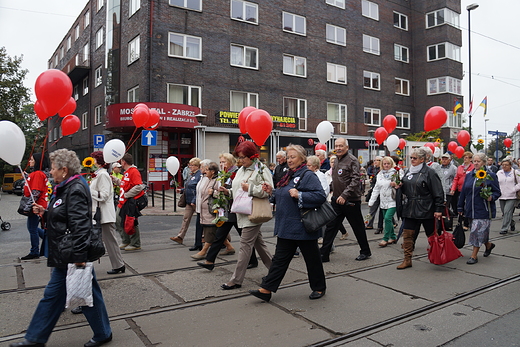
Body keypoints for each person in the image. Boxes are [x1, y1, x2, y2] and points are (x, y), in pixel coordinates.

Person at [10, 149, 112, 347]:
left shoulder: (74, 188)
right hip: (67, 253)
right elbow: (64, 214)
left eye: (53, 168)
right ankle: (101, 333)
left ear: (64, 170)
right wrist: (47, 212)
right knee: (82, 293)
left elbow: (80, 226)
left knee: (58, 295)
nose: (50, 172)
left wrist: (80, 260)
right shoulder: (65, 186)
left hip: (71, 254)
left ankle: (34, 339)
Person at [249, 145, 327, 302]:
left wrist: (300, 195)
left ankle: (319, 288)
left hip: (302, 226)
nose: (289, 160)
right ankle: (267, 289)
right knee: (279, 259)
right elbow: (284, 194)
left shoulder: (307, 175)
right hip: (287, 225)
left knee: (312, 260)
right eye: (288, 157)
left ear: (302, 158)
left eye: (293, 157)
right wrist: (272, 191)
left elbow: (320, 196)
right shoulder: (288, 175)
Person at [221, 141, 273, 290]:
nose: (240, 160)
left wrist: (250, 188)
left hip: (253, 213)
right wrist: (228, 192)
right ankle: (275, 270)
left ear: (252, 156)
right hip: (242, 211)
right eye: (239, 157)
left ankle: (236, 280)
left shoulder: (261, 169)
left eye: (243, 157)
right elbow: (238, 190)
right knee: (259, 244)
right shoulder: (241, 169)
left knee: (245, 246)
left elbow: (268, 190)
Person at [197, 153, 258, 270]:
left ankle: (252, 260)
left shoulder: (235, 172)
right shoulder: (224, 174)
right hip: (228, 209)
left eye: (224, 162)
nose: (221, 164)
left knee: (244, 238)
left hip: (236, 209)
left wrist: (225, 192)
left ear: (230, 162)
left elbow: (237, 189)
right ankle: (210, 261)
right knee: (221, 236)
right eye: (220, 162)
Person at [320, 138, 372, 262]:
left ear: (347, 147)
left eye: (341, 146)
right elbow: (337, 179)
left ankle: (365, 251)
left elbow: (355, 180)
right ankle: (324, 253)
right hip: (337, 200)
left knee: (357, 227)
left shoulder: (352, 160)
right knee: (331, 227)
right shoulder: (337, 159)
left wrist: (344, 195)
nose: (338, 148)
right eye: (336, 145)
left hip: (350, 200)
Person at [395, 147, 444, 270]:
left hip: (426, 208)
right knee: (407, 235)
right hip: (410, 207)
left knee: (432, 235)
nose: (412, 160)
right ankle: (407, 259)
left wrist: (438, 209)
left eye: (415, 158)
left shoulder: (430, 172)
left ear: (422, 159)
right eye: (411, 157)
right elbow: (407, 187)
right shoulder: (408, 171)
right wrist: (400, 185)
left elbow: (438, 192)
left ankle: (438, 256)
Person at [458, 153, 501, 264]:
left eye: (478, 161)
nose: (476, 163)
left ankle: (474, 256)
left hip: (484, 209)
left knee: (476, 232)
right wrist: (460, 206)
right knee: (482, 232)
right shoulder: (469, 175)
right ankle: (489, 245)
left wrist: (491, 197)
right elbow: (463, 192)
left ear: (484, 162)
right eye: (474, 161)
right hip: (470, 209)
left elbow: (497, 192)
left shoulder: (490, 175)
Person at [90, 151, 125, 274]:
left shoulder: (103, 175)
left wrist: (89, 191)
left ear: (99, 161)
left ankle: (119, 265)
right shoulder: (99, 174)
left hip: (104, 214)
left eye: (94, 159)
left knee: (110, 241)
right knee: (109, 241)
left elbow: (104, 195)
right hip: (101, 214)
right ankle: (118, 265)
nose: (93, 161)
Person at [20, 153, 49, 260]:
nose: (30, 161)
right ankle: (48, 240)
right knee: (33, 228)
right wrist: (28, 177)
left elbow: (35, 192)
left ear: (37, 161)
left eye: (32, 160)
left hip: (37, 205)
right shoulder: (38, 174)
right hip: (39, 204)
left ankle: (35, 251)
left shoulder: (37, 174)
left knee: (32, 228)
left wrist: (28, 207)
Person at [170, 157, 203, 249]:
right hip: (189, 201)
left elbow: (199, 189)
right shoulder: (192, 175)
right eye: (189, 165)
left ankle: (220, 237)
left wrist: (194, 200)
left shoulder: (199, 175)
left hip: (195, 201)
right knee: (186, 218)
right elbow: (189, 187)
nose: (190, 167)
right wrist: (181, 190)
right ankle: (180, 236)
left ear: (197, 166)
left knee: (202, 219)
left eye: (192, 165)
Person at [115, 153, 145, 251]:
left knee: (131, 222)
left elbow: (139, 186)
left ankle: (135, 243)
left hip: (128, 202)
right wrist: (116, 180)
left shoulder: (133, 171)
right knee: (119, 221)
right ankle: (126, 240)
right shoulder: (127, 172)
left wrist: (127, 195)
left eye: (121, 161)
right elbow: (125, 185)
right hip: (123, 202)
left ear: (124, 162)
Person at [191, 162, 220, 260]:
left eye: (207, 170)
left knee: (210, 230)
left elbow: (222, 194)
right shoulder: (206, 179)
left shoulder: (217, 181)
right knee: (213, 231)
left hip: (211, 210)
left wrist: (214, 193)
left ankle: (204, 251)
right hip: (203, 210)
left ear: (213, 172)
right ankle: (229, 246)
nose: (205, 171)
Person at [368, 156, 398, 247]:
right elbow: (376, 189)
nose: (386, 165)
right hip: (383, 201)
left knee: (388, 218)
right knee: (387, 219)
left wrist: (396, 184)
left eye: (388, 163)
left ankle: (385, 238)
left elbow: (402, 184)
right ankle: (393, 236)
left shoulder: (395, 173)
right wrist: (371, 201)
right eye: (384, 164)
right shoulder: (380, 174)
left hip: (393, 200)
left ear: (391, 164)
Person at [450, 152, 474, 230]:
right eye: (464, 157)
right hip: (460, 189)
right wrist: (453, 188)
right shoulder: (460, 167)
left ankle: (466, 224)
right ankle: (460, 222)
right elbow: (456, 178)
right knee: (460, 205)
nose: (465, 159)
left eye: (467, 157)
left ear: (470, 159)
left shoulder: (473, 167)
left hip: (469, 189)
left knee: (467, 206)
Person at [496, 158, 519, 234]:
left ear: (510, 165)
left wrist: (514, 189)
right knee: (505, 213)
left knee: (507, 212)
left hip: (511, 196)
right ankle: (511, 223)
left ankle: (504, 228)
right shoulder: (499, 173)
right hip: (502, 195)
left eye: (506, 165)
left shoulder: (515, 172)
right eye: (503, 165)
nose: (504, 166)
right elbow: (496, 182)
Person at [366, 156, 384, 234]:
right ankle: (368, 223)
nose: (376, 162)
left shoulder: (383, 170)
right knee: (371, 209)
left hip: (383, 193)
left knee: (384, 209)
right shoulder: (373, 169)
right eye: (375, 160)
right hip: (375, 192)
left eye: (378, 160)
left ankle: (393, 222)